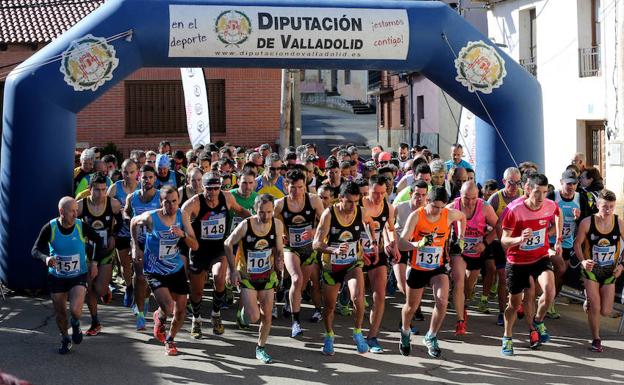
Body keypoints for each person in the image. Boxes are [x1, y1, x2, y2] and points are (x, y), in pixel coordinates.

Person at [397, 186, 465, 358]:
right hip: (417, 268)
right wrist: (417, 244)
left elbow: (462, 217)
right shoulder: (416, 216)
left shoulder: (448, 214)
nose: (438, 211)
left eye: (442, 207)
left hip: (437, 267)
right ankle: (405, 332)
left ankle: (431, 336)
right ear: (427, 201)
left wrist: (461, 238)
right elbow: (401, 243)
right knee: (411, 307)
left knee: (442, 301)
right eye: (435, 207)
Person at [32, 197, 106, 354]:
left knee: (75, 310)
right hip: (56, 276)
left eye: (76, 210)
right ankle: (65, 338)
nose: (75, 214)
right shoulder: (50, 228)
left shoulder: (80, 226)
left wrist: (94, 263)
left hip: (78, 275)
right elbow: (35, 250)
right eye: (72, 211)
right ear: (61, 212)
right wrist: (46, 258)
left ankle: (76, 323)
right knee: (60, 313)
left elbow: (99, 242)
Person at [130, 186, 198, 356]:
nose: (171, 205)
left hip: (175, 268)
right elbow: (133, 222)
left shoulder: (182, 216)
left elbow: (195, 245)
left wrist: (182, 235)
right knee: (169, 306)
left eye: (174, 201)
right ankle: (161, 316)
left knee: (181, 310)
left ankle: (170, 339)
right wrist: (135, 247)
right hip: (154, 269)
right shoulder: (151, 217)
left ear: (178, 201)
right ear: (161, 202)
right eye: (167, 202)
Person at [182, 172, 250, 339]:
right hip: (199, 250)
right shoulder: (193, 204)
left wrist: (258, 221)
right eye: (209, 189)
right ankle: (196, 319)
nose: (213, 193)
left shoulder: (226, 198)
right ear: (203, 188)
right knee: (197, 291)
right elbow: (185, 228)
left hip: (219, 248)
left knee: (220, 278)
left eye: (216, 188)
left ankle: (216, 314)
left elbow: (241, 211)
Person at [313, 181, 377, 355]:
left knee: (358, 299)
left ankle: (357, 332)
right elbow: (316, 243)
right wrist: (333, 249)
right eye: (349, 201)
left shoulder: (361, 212)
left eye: (356, 202)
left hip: (352, 263)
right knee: (330, 307)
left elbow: (371, 223)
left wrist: (373, 241)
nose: (352, 206)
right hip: (332, 266)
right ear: (340, 198)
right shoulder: (329, 214)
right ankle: (329, 336)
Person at [500, 173, 562, 356]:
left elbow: (558, 214)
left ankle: (537, 321)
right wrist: (520, 238)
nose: (541, 198)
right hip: (517, 261)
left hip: (540, 257)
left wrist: (557, 238)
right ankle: (507, 336)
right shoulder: (515, 210)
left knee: (550, 291)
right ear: (528, 190)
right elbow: (504, 240)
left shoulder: (549, 205)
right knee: (514, 304)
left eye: (545, 192)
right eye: (537, 192)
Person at [225, 194, 285, 363]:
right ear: (254, 210)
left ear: (273, 210)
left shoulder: (277, 225)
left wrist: (280, 260)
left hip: (267, 275)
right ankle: (244, 312)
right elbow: (227, 244)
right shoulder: (246, 225)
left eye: (269, 212)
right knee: (253, 317)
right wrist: (232, 270)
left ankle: (261, 348)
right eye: (261, 212)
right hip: (247, 276)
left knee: (267, 316)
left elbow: (279, 249)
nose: (265, 216)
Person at [274, 170, 325, 337]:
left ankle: (289, 299)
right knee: (297, 279)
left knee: (301, 286)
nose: (297, 191)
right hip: (291, 248)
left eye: (300, 187)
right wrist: (280, 233)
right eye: (293, 188)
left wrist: (314, 231)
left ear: (305, 186)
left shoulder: (314, 200)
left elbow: (326, 224)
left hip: (309, 248)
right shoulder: (280, 204)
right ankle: (295, 323)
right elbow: (269, 225)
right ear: (285, 186)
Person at [573, 189, 624, 352]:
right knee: (595, 306)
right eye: (604, 207)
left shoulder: (619, 223)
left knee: (606, 310)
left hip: (610, 271)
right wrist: (582, 261)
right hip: (592, 270)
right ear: (597, 205)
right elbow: (577, 243)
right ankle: (596, 338)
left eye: (611, 207)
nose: (608, 210)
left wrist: (622, 266)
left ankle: (588, 301)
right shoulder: (587, 222)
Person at [448, 181, 498, 334]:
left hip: (477, 251)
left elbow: (498, 226)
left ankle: (463, 304)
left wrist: (485, 242)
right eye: (466, 198)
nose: (470, 202)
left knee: (469, 287)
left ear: (479, 196)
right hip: (459, 251)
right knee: (459, 282)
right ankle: (460, 320)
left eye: (473, 198)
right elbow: (440, 224)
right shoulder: (452, 207)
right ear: (460, 196)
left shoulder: (484, 207)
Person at [77, 173, 123, 336]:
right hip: (88, 252)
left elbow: (121, 222)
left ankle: (106, 291)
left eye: (104, 190)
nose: (100, 194)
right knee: (90, 288)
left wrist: (113, 235)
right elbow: (72, 224)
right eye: (97, 190)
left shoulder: (114, 204)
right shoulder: (81, 205)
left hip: (105, 251)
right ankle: (95, 321)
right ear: (90, 190)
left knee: (99, 288)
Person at [361, 175, 401, 352]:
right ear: (368, 190)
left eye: (382, 193)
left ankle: (372, 336)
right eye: (375, 193)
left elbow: (390, 229)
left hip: (376, 253)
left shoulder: (388, 207)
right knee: (358, 299)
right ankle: (355, 330)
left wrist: (393, 245)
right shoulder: (359, 204)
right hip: (356, 253)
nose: (378, 197)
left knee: (379, 295)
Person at [545, 169, 592, 319]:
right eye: (568, 183)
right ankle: (545, 299)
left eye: (574, 183)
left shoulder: (581, 198)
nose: (571, 186)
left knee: (561, 273)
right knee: (558, 268)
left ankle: (550, 301)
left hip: (567, 243)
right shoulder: (553, 196)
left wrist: (579, 218)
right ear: (561, 183)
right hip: (550, 241)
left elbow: (588, 221)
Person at [124, 165, 162, 330]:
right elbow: (125, 212)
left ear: (155, 179)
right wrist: (131, 219)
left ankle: (144, 300)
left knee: (148, 280)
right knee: (140, 277)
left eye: (150, 177)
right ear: (139, 178)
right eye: (144, 177)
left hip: (156, 244)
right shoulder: (132, 197)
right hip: (138, 242)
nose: (147, 180)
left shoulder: (161, 197)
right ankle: (140, 315)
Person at [486, 167, 523, 325]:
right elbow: (484, 221)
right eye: (511, 183)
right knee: (502, 278)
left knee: (522, 279)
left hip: (519, 242)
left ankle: (519, 305)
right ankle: (502, 312)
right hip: (499, 243)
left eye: (517, 183)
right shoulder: (495, 199)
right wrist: (495, 231)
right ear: (503, 182)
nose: (514, 186)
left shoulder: (523, 195)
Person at [108, 159, 140, 307]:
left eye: (132, 172)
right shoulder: (115, 188)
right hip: (121, 232)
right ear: (121, 172)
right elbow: (105, 208)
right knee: (125, 264)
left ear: (137, 172)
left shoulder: (142, 188)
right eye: (126, 172)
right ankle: (129, 287)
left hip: (139, 234)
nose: (128, 175)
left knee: (138, 264)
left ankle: (140, 290)